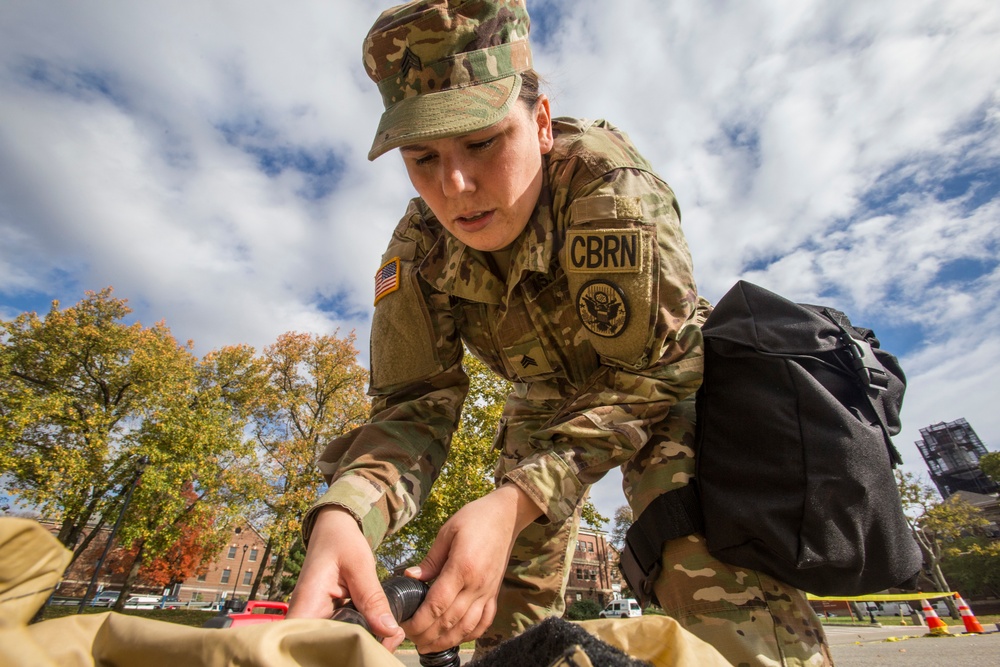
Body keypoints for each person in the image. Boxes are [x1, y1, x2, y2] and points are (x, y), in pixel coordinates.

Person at [287, 1, 833, 665]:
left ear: (540, 123)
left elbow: (656, 371)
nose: (455, 186)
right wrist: (345, 516)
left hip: (664, 376)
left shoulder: (608, 187)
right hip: (541, 397)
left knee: (694, 544)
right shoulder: (417, 254)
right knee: (502, 609)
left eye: (483, 141)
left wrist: (519, 499)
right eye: (422, 157)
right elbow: (411, 409)